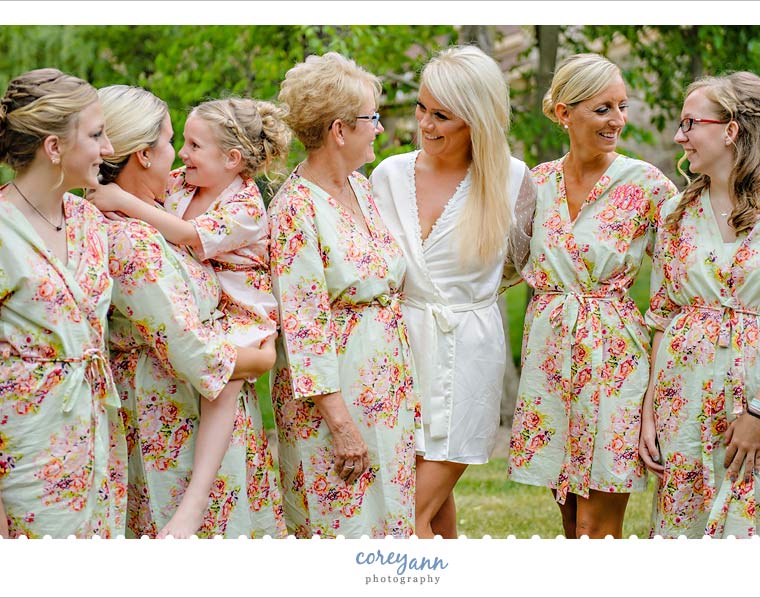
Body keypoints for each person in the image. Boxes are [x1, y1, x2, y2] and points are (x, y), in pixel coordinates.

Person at [639, 72, 760, 538]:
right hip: (679, 398)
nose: (679, 137)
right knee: (679, 533)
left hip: (756, 393)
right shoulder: (674, 213)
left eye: (690, 123)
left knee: (750, 530)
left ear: (730, 129)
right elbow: (662, 316)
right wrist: (649, 414)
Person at [95, 85, 286, 538]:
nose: (180, 155)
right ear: (142, 154)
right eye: (171, 141)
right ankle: (194, 504)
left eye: (192, 145)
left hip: (234, 333)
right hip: (175, 414)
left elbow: (191, 239)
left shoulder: (210, 205)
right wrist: (261, 360)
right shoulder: (133, 236)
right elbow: (194, 352)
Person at [507, 53, 678, 538]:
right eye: (604, 109)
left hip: (613, 357)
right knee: (567, 519)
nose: (618, 120)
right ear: (565, 113)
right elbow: (500, 265)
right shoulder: (534, 184)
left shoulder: (647, 186)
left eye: (621, 107)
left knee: (596, 527)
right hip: (549, 357)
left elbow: (680, 277)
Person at [371, 45, 534, 539]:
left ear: (477, 121)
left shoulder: (511, 181)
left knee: (405, 518)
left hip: (467, 352)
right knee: (435, 513)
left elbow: (518, 266)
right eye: (422, 108)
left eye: (442, 115)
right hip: (399, 352)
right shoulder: (387, 175)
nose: (425, 123)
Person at [268, 52, 417, 538]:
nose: (378, 128)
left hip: (385, 388)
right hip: (337, 403)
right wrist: (341, 425)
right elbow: (304, 327)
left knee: (389, 523)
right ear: (338, 130)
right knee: (344, 526)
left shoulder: (359, 186)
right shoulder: (294, 210)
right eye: (371, 118)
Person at [0, 68, 121, 538]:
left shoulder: (88, 220)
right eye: (97, 134)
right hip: (25, 462)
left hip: (98, 450)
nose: (109, 149)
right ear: (54, 147)